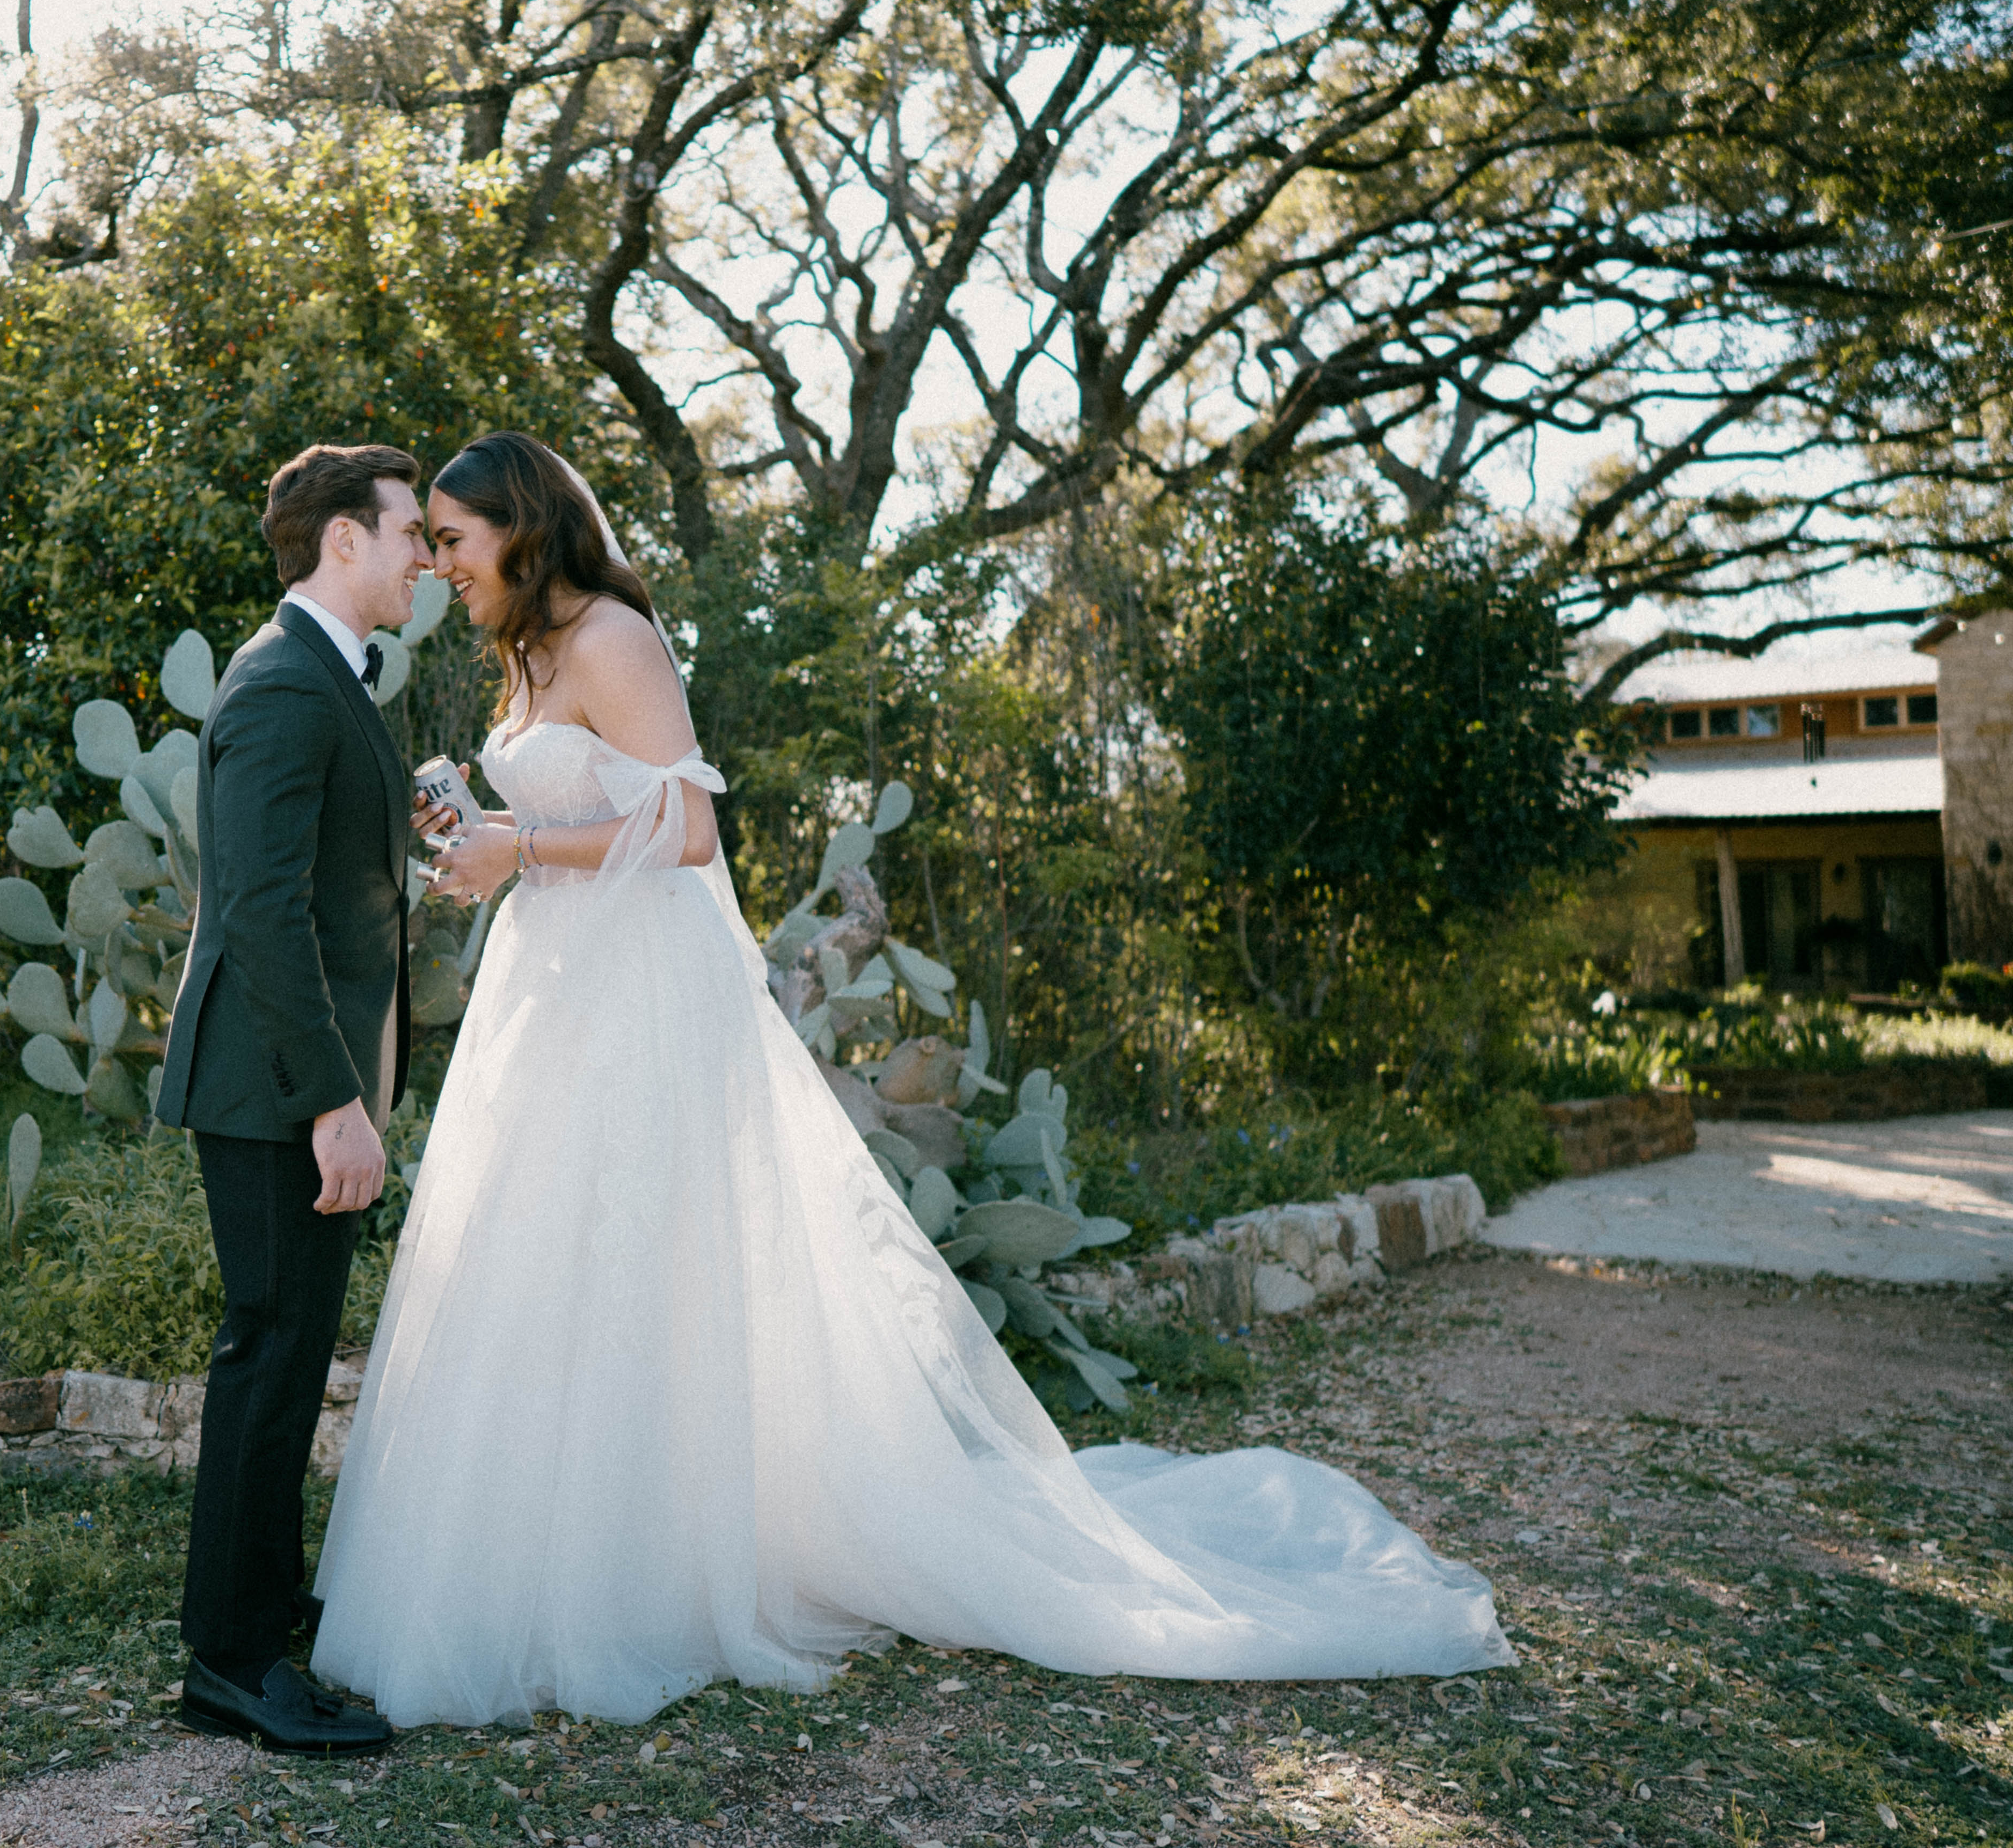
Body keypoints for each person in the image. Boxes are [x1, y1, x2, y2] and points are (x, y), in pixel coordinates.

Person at [305, 430, 1513, 1730]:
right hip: (549, 986)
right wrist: (496, 853)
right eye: (422, 537)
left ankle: (639, 1573)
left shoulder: (612, 637)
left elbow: (696, 825)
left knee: (628, 1255)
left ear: (523, 527)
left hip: (631, 998)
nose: (438, 560)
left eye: (453, 536)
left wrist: (523, 842)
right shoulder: (528, 654)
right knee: (538, 1256)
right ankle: (530, 1556)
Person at [155, 442, 428, 1757]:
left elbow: (309, 880)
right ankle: (235, 1663)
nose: (426, 556)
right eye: (408, 533)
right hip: (275, 1088)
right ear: (343, 542)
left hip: (294, 1083)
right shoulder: (280, 682)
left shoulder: (324, 677)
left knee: (285, 1350)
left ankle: (260, 1611)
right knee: (270, 1351)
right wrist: (332, 1098)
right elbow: (257, 911)